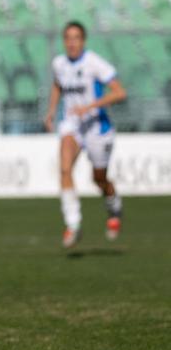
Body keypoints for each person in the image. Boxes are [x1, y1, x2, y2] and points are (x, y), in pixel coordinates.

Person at [43, 21, 127, 249]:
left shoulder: (94, 63)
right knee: (64, 168)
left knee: (98, 178)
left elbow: (120, 92)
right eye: (68, 38)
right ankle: (73, 224)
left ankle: (113, 203)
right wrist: (51, 111)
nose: (72, 42)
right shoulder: (59, 64)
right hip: (72, 124)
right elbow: (57, 85)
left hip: (97, 128)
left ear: (83, 41)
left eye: (76, 37)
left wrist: (90, 106)